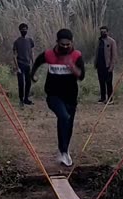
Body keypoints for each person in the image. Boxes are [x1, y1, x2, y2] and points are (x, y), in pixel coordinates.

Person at [31, 29, 85, 167]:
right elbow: (37, 62)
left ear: (72, 42)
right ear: (57, 42)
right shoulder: (49, 54)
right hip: (53, 95)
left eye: (68, 44)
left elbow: (81, 76)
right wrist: (33, 75)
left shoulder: (76, 55)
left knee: (68, 123)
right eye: (63, 44)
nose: (65, 47)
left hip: (71, 96)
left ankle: (65, 151)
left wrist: (72, 67)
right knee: (63, 117)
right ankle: (62, 151)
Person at [13, 23, 35, 106]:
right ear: (20, 30)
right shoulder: (17, 42)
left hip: (27, 64)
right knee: (21, 83)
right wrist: (17, 67)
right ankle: (21, 100)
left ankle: (26, 99)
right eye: (22, 29)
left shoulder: (30, 40)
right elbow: (14, 55)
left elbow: (31, 52)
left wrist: (33, 63)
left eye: (25, 29)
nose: (24, 31)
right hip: (20, 64)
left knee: (28, 82)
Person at [95, 26, 117, 104]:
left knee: (108, 83)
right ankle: (103, 98)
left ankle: (110, 99)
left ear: (107, 32)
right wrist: (95, 63)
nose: (103, 33)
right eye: (101, 31)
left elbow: (114, 55)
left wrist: (112, 66)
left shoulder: (111, 41)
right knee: (101, 82)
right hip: (100, 65)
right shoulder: (99, 41)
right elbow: (97, 53)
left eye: (104, 31)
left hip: (107, 65)